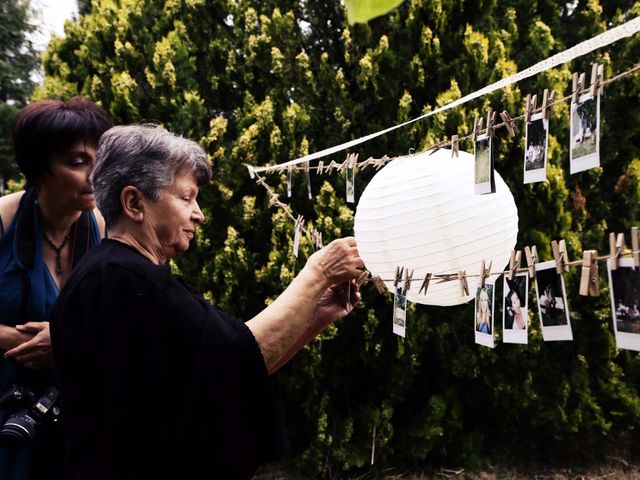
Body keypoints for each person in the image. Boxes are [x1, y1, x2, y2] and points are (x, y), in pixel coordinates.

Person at [49, 124, 365, 480]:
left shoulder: (122, 274)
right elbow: (238, 355)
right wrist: (319, 272)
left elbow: (228, 367)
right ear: (134, 203)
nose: (198, 213)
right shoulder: (121, 280)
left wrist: (316, 313)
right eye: (186, 197)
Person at [0, 98, 111, 480]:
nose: (94, 175)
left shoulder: (106, 226)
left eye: (99, 160)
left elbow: (134, 318)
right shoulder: (3, 220)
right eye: (78, 162)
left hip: (80, 408)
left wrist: (65, 344)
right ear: (38, 168)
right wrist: (24, 341)